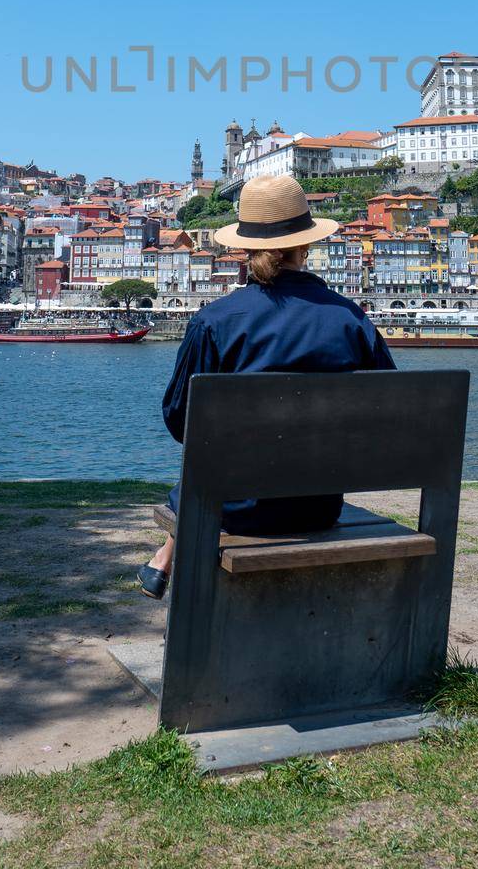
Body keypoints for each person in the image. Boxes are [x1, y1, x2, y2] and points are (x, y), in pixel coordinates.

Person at [137, 174, 395, 599]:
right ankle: (163, 558)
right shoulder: (350, 319)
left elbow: (182, 421)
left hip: (238, 507)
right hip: (318, 504)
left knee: (208, 469)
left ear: (244, 247)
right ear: (306, 245)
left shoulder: (215, 322)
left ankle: (164, 560)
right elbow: (386, 412)